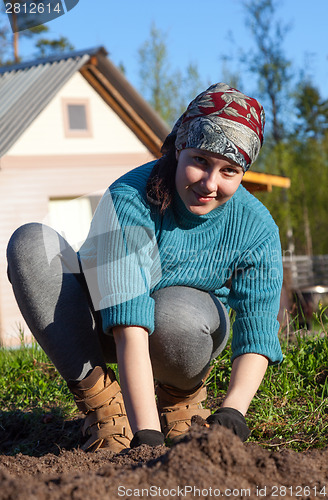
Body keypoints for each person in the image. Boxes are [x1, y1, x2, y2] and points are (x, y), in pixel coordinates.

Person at [6, 83, 283, 453]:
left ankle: (179, 399)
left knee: (179, 313)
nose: (209, 183)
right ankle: (106, 408)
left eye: (229, 170)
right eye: (200, 160)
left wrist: (234, 410)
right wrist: (147, 438)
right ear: (180, 147)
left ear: (243, 172)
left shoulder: (255, 226)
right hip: (98, 320)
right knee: (30, 244)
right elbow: (129, 324)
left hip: (182, 329)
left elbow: (258, 327)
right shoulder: (131, 197)